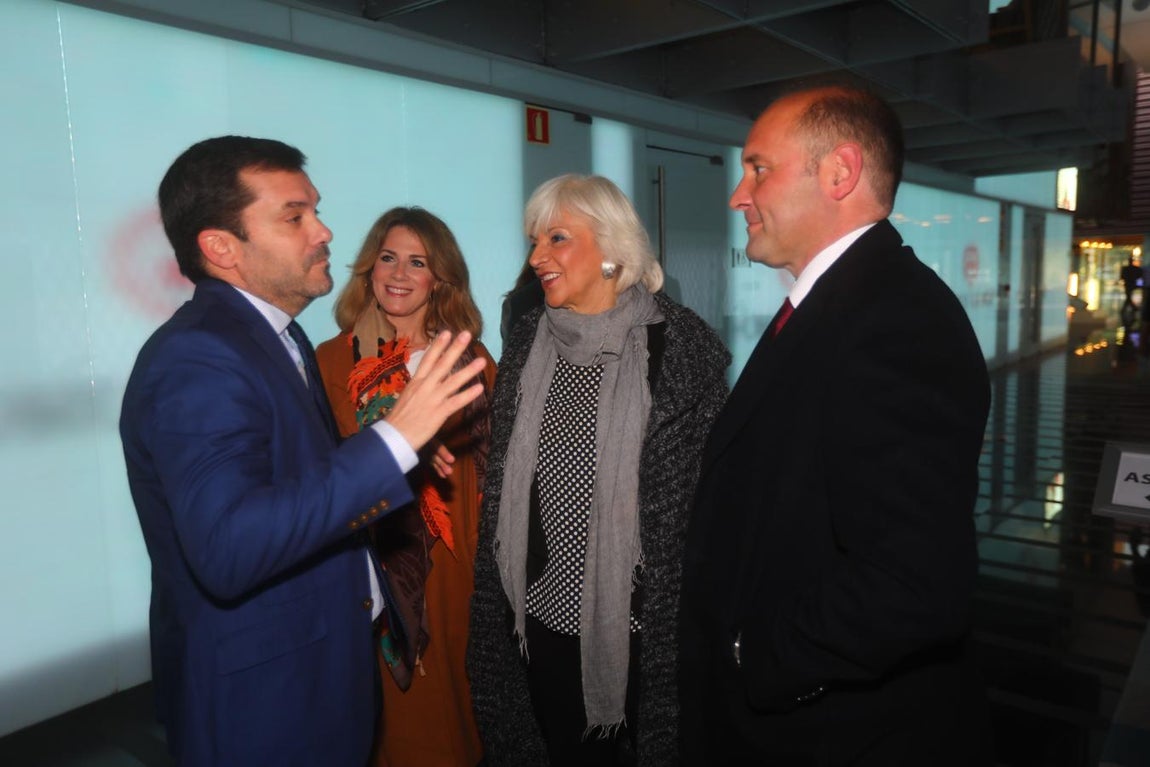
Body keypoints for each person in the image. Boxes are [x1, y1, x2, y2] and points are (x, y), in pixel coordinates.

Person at [119, 136, 486, 767]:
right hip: (266, 706)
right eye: (295, 217)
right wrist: (393, 439)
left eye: (315, 210)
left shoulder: (279, 340)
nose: (324, 232)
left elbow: (289, 476)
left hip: (319, 675)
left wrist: (399, 457)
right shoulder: (198, 357)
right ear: (221, 247)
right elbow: (229, 547)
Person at [679, 86, 993, 766]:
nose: (739, 194)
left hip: (824, 734)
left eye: (759, 167)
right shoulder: (844, 302)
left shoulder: (897, 321)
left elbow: (915, 584)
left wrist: (751, 653)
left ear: (840, 173)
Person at [467, 174, 730, 766]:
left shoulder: (680, 349)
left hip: (642, 626)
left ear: (612, 247)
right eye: (535, 241)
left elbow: (713, 507)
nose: (537, 257)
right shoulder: (530, 339)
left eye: (557, 238)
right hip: (536, 618)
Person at [315, 207, 494, 767]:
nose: (399, 273)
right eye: (388, 258)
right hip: (363, 565)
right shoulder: (331, 360)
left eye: (418, 262)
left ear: (439, 278)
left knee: (451, 716)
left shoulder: (469, 361)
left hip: (450, 564)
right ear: (369, 268)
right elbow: (314, 470)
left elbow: (494, 472)